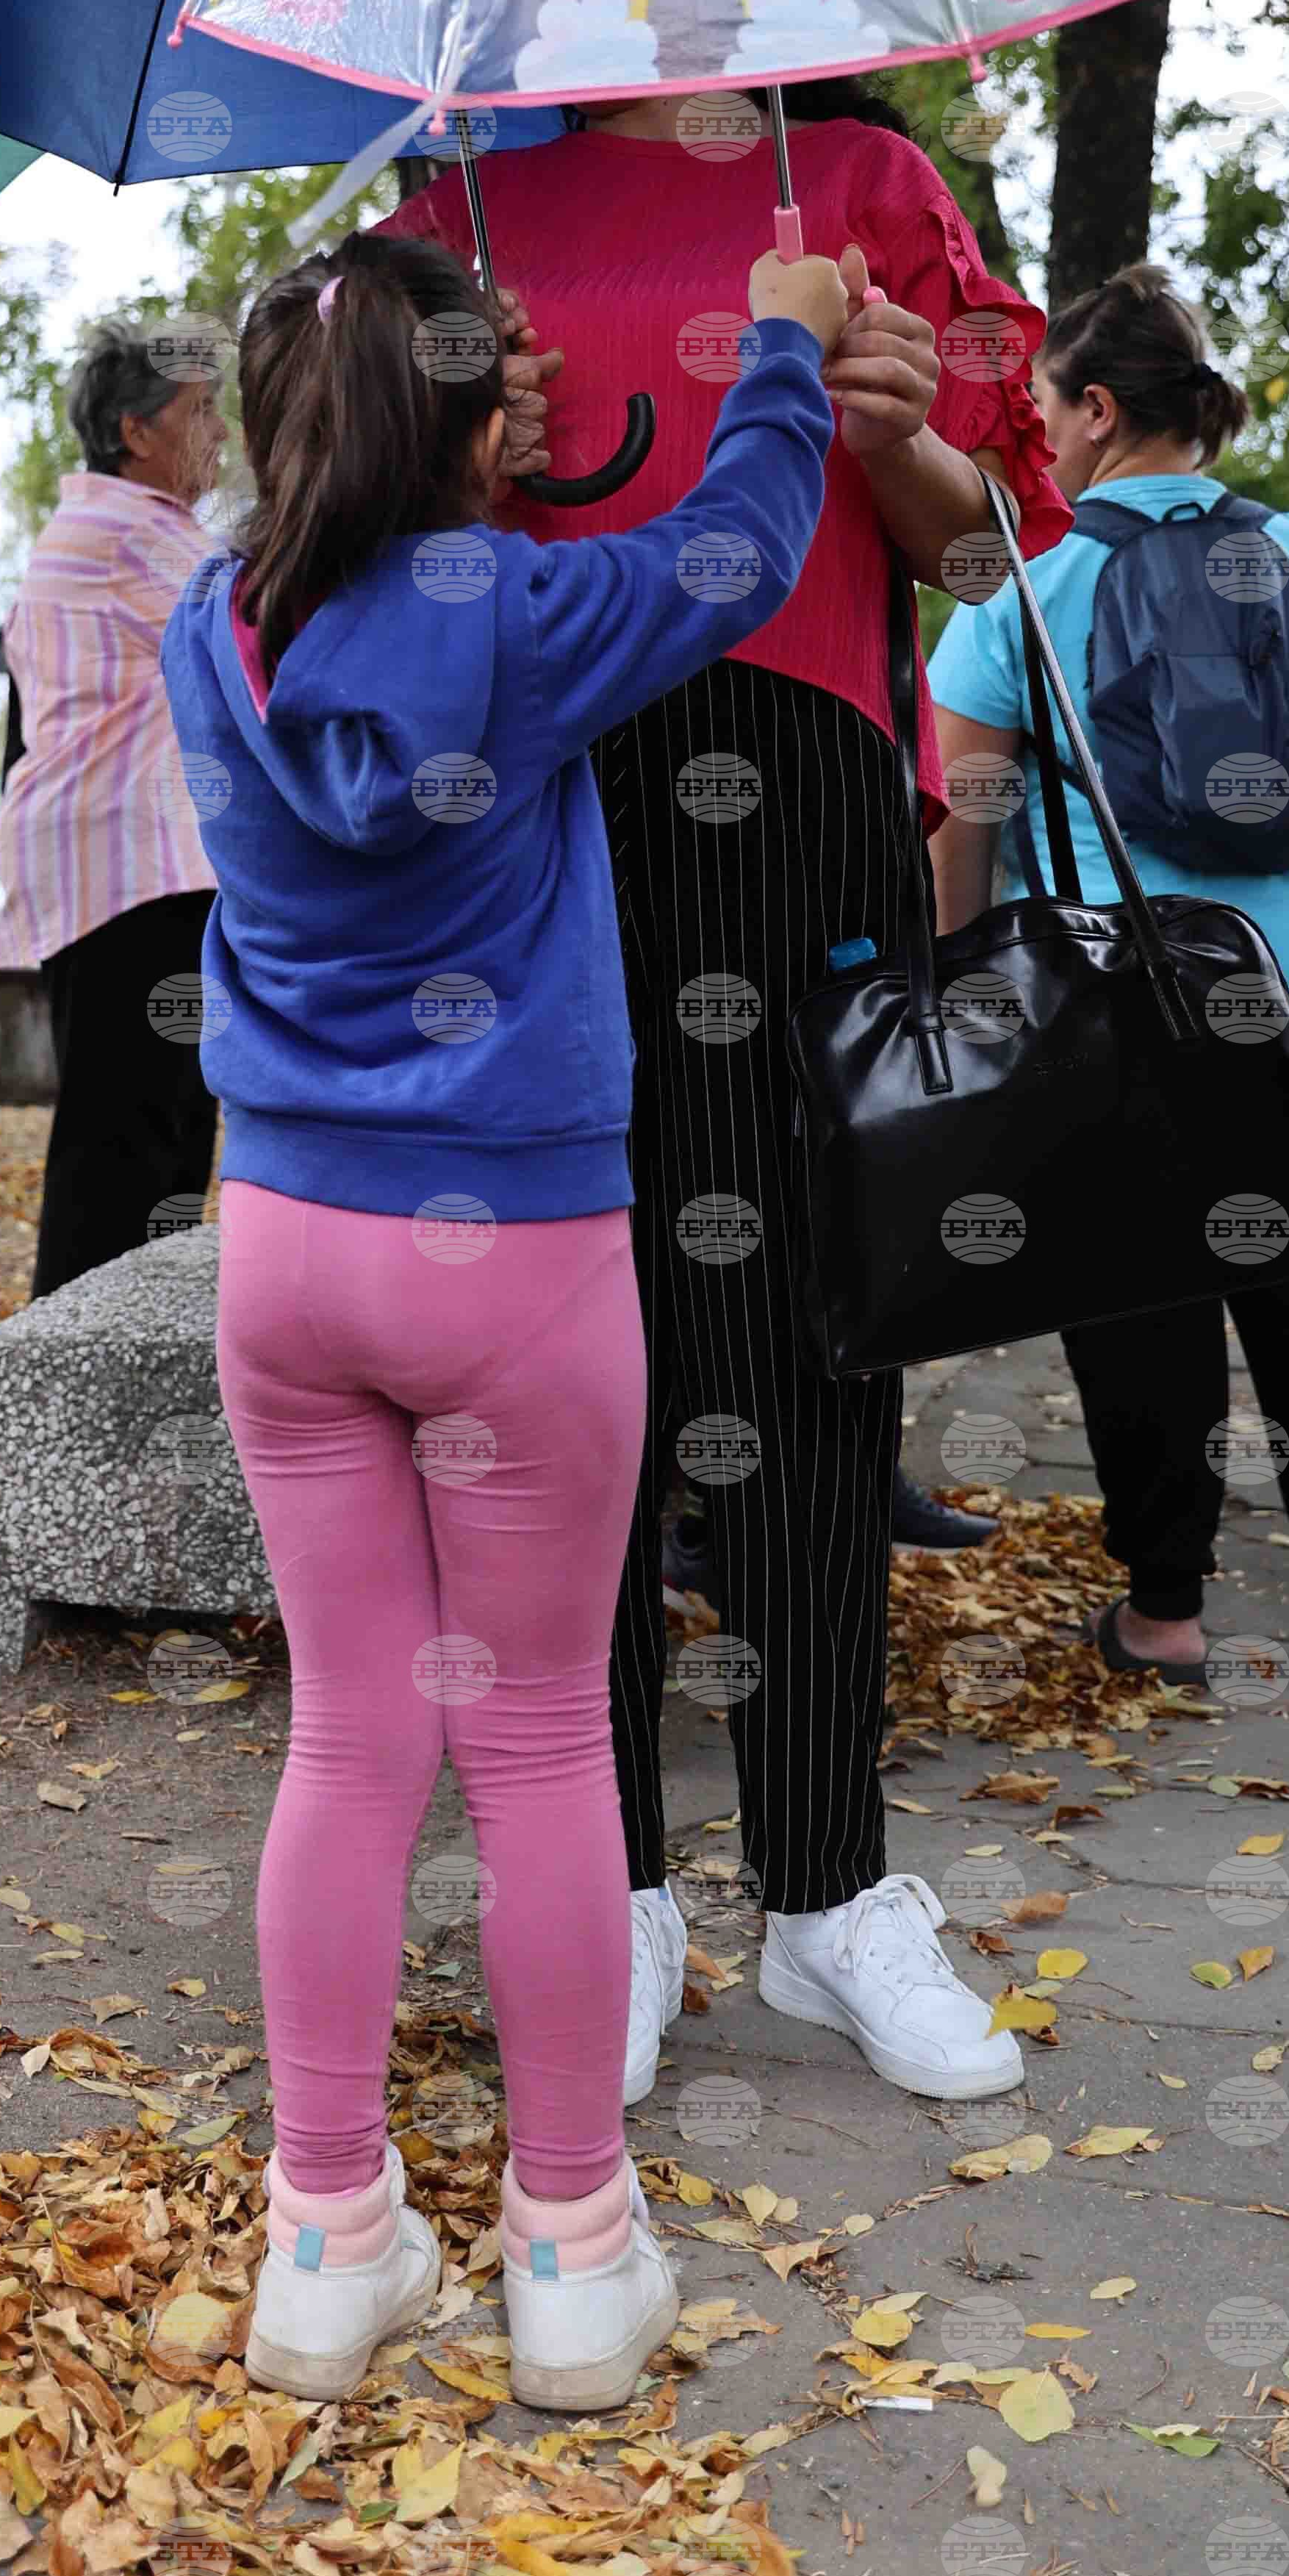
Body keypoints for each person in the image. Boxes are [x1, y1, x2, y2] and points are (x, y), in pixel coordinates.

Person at [165, 222, 841, 2407]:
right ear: (455, 420)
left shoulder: (212, 617)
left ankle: (329, 2237)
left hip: (282, 1240)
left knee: (352, 1736)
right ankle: (570, 2246)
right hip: (512, 1252)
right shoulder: (514, 610)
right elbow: (737, 554)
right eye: (507, 382)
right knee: (545, 1733)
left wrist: (468, 444)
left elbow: (373, 571)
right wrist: (786, 358)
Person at [384, 83, 1056, 2106]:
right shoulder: (463, 192)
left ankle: (831, 1896)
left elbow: (978, 550)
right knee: (563, 1364)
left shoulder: (857, 181)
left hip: (811, 795)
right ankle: (613, 1897)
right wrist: (458, 436)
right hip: (540, 792)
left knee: (807, 1350)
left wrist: (898, 432)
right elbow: (374, 536)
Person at [930, 265, 1289, 1683]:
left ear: (1098, 409)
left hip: (1114, 992)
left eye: (1049, 407)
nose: (1042, 436)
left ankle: (1163, 1610)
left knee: (1132, 1279)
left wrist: (962, 995)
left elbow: (964, 827)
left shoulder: (1029, 593)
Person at [0, 321, 225, 1294]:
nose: (222, 432)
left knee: (151, 1138)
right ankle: (73, 1388)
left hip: (136, 877)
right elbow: (264, 634)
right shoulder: (129, 530)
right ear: (137, 432)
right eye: (201, 411)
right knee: (126, 1146)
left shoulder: (127, 526)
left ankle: (109, 1377)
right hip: (127, 879)